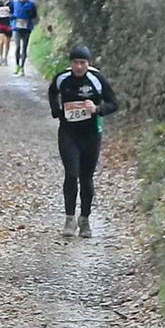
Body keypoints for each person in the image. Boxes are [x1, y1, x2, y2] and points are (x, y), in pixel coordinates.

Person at [48, 45, 118, 238]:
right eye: (76, 63)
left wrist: (96, 109)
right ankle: (69, 218)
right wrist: (56, 110)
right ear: (70, 64)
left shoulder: (97, 79)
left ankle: (84, 219)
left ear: (88, 63)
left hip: (91, 134)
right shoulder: (63, 78)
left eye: (83, 63)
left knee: (86, 177)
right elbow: (52, 92)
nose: (79, 67)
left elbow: (113, 103)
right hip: (69, 133)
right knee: (71, 174)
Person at [11, 0, 38, 76]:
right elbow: (9, 13)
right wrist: (14, 18)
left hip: (27, 28)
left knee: (24, 48)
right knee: (18, 47)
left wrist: (27, 17)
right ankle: (17, 66)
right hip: (17, 28)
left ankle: (22, 67)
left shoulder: (31, 4)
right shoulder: (14, 3)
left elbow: (35, 15)